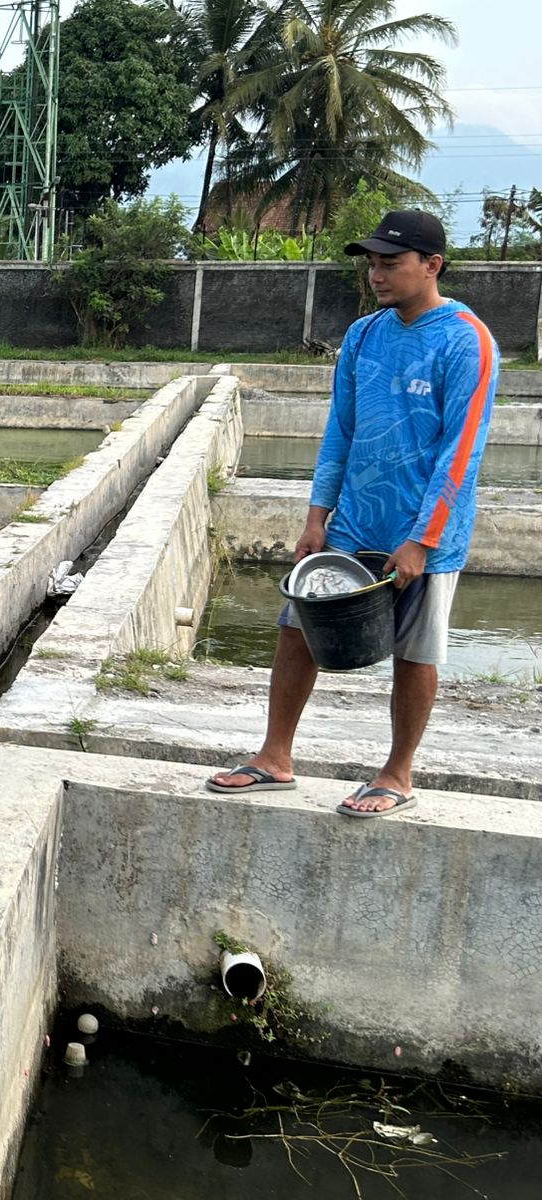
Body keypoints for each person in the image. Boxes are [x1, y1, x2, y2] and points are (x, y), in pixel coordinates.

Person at [207, 210, 498, 817]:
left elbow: (461, 450)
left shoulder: (466, 339)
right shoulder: (365, 336)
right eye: (372, 263)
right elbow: (340, 431)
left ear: (431, 265)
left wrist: (423, 540)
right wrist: (317, 518)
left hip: (423, 534)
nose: (376, 274)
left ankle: (397, 774)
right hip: (353, 522)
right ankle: (275, 757)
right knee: (296, 630)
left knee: (416, 652)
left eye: (390, 263)